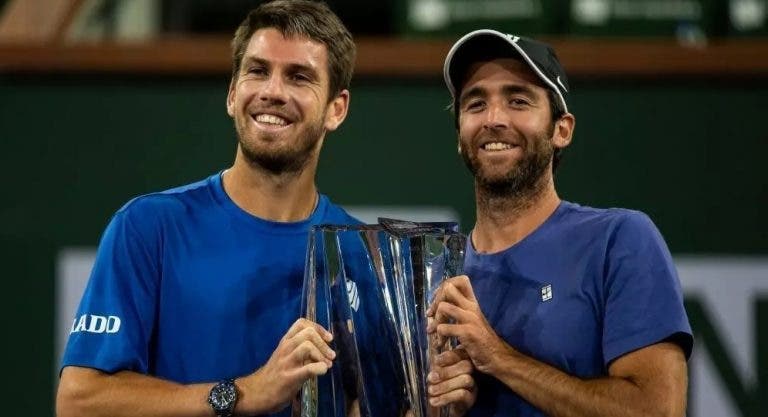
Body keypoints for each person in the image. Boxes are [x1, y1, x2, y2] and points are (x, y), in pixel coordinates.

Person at [426, 29, 693, 417]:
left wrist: (499, 358)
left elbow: (658, 410)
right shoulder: (439, 276)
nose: (494, 119)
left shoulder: (619, 240)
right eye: (476, 103)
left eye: (518, 100)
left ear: (561, 129)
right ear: (459, 136)